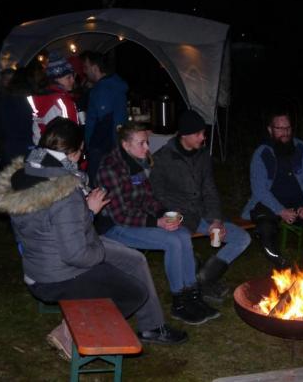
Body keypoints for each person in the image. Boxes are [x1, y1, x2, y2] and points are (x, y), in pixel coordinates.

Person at [0, 118, 187, 359]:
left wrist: (84, 210)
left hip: (42, 259)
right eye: (81, 151)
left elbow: (49, 222)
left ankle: (152, 327)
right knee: (133, 293)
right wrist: (92, 219)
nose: (82, 156)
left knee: (135, 260)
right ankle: (72, 333)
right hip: (59, 273)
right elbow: (77, 254)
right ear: (72, 152)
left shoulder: (27, 173)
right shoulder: (65, 190)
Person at [96, 122, 219, 325]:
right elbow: (119, 215)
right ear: (126, 145)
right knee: (171, 241)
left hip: (137, 219)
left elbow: (147, 198)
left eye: (147, 142)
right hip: (115, 227)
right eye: (141, 143)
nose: (147, 148)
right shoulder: (110, 168)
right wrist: (156, 222)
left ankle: (193, 296)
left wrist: (164, 213)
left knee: (182, 234)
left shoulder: (136, 163)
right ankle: (179, 303)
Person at [150, 110, 251, 303]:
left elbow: (210, 189)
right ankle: (191, 287)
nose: (203, 137)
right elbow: (157, 195)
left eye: (203, 132)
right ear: (185, 135)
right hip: (178, 217)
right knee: (181, 244)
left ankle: (203, 278)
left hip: (203, 215)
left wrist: (215, 220)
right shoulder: (162, 158)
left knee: (242, 238)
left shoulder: (203, 155)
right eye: (198, 134)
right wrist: (179, 213)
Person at [241, 110, 303, 277]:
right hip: (269, 205)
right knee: (265, 227)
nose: (284, 132)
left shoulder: (301, 148)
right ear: (270, 130)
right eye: (279, 128)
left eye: (287, 128)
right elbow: (259, 190)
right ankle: (279, 262)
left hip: (298, 205)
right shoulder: (262, 153)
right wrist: (280, 210)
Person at [81, 51, 128, 182]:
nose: (84, 71)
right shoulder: (114, 84)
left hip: (102, 149)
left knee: (99, 186)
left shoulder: (102, 89)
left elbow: (105, 123)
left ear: (95, 67)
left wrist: (94, 150)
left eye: (86, 66)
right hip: (115, 145)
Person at [26, 52, 79, 145]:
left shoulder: (38, 98)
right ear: (56, 79)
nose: (73, 80)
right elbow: (71, 134)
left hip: (44, 151)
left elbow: (36, 130)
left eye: (72, 76)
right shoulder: (62, 102)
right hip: (63, 153)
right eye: (68, 77)